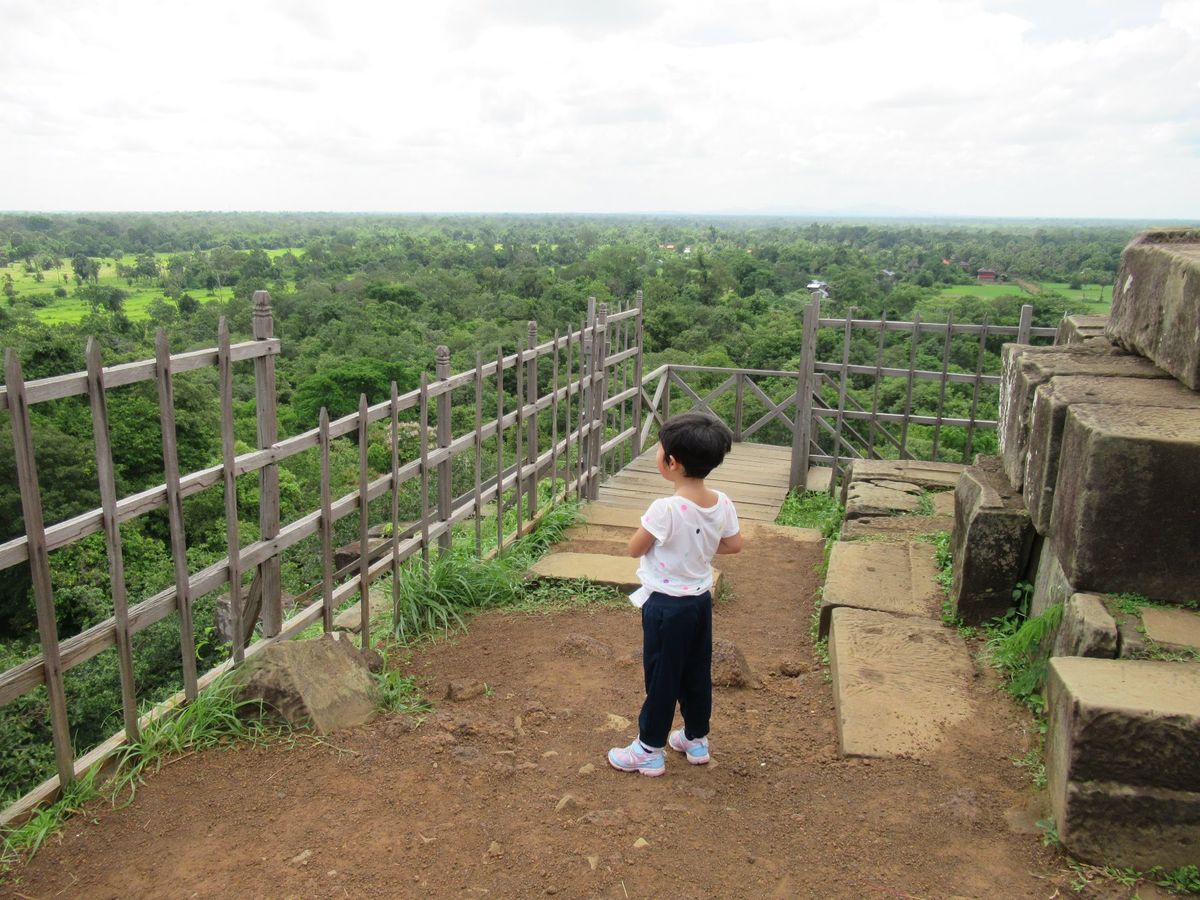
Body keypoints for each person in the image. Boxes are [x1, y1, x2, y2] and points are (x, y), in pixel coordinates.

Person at [607, 412, 743, 776]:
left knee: (662, 674)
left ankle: (648, 749)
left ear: (671, 462)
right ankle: (696, 738)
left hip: (666, 606)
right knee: (696, 670)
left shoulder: (664, 509)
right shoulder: (722, 502)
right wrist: (698, 548)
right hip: (700, 602)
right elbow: (734, 544)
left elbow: (635, 549)